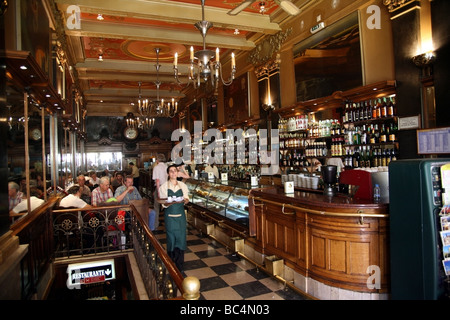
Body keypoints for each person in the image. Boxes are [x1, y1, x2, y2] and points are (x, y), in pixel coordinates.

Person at [159, 164, 189, 272]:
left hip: (181, 217)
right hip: (170, 217)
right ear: (168, 174)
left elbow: (186, 199)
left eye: (175, 171)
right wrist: (168, 202)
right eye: (171, 171)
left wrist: (185, 200)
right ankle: (171, 264)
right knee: (171, 239)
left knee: (181, 239)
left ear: (177, 172)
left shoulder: (182, 185)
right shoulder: (164, 187)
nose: (173, 173)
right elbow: (163, 203)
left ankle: (180, 265)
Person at [152, 153, 168, 230]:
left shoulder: (156, 167)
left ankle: (155, 224)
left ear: (157, 160)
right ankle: (168, 223)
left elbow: (157, 180)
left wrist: (158, 191)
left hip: (160, 187)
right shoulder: (166, 166)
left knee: (156, 206)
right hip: (167, 187)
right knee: (167, 205)